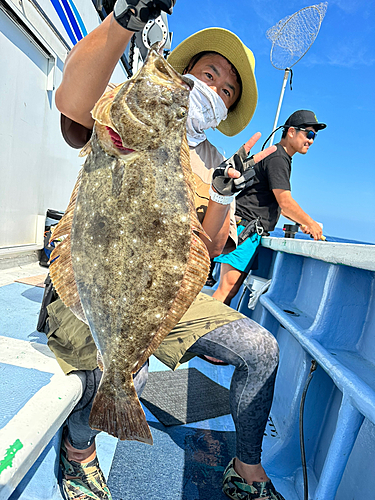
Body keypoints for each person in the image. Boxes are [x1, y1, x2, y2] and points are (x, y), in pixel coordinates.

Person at [43, 1, 285, 499]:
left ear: (227, 110)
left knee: (261, 350)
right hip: (94, 274)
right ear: (186, 72)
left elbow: (212, 249)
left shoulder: (217, 160)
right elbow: (71, 108)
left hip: (162, 288)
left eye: (226, 91)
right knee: (121, 372)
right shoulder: (121, 110)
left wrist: (220, 195)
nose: (214, 91)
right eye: (209, 74)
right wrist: (122, 21)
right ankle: (78, 451)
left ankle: (245, 468)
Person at [212, 109, 327, 305]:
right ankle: (199, 334)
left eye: (314, 136)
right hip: (244, 229)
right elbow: (285, 202)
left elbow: (275, 204)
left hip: (246, 228)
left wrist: (301, 223)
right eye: (308, 134)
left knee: (229, 291)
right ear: (291, 132)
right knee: (225, 291)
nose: (311, 140)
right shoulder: (278, 158)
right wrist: (312, 224)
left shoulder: (279, 157)